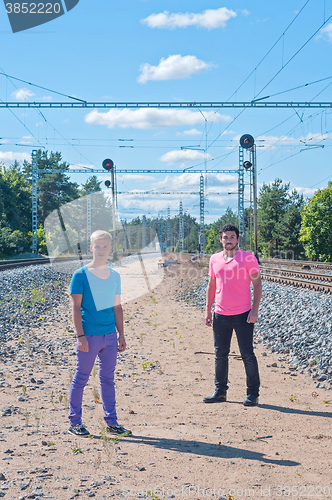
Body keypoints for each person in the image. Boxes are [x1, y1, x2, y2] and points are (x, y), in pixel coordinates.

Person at [68, 230, 132, 436]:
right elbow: (76, 307)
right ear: (91, 248)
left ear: (111, 249)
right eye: (98, 246)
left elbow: (117, 307)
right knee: (81, 378)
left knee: (107, 379)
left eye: (105, 246)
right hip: (90, 336)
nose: (102, 250)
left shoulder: (114, 276)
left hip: (110, 336)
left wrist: (121, 334)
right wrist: (80, 336)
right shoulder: (80, 275)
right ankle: (75, 422)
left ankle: (112, 422)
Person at [204, 223, 262, 406]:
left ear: (237, 239)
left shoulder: (248, 258)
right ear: (220, 239)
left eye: (232, 237)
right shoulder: (214, 259)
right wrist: (207, 309)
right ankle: (220, 392)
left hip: (243, 314)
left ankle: (253, 393)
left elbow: (257, 285)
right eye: (225, 237)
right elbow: (212, 286)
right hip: (220, 314)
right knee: (220, 354)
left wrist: (254, 309)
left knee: (247, 354)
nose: (228, 240)